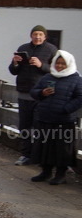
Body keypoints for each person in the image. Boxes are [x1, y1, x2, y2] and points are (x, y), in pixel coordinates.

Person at [29, 50, 82, 185]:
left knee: (61, 149)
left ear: (69, 64)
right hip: (45, 118)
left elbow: (80, 97)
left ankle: (60, 174)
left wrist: (66, 109)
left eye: (63, 64)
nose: (59, 66)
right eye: (57, 63)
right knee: (45, 146)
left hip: (64, 120)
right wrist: (42, 92)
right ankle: (45, 172)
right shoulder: (48, 77)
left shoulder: (76, 79)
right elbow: (33, 91)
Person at [9, 25, 59, 166]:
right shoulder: (23, 47)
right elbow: (13, 71)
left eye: (40, 35)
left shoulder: (51, 49)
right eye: (35, 34)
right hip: (24, 92)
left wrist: (41, 65)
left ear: (45, 36)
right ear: (31, 35)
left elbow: (56, 70)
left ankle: (38, 156)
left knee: (39, 126)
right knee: (25, 126)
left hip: (41, 94)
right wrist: (15, 63)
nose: (37, 37)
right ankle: (26, 154)